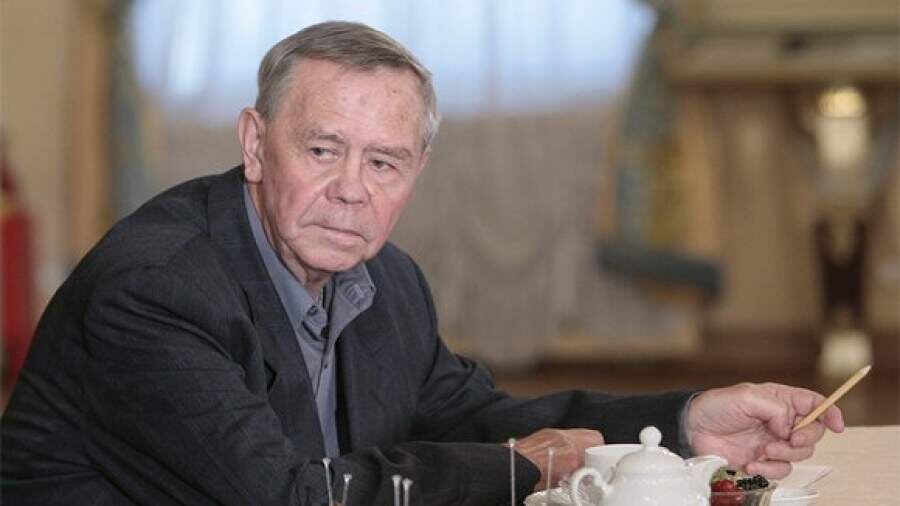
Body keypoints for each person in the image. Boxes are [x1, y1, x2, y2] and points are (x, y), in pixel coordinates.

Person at [1, 21, 843, 505]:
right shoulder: (156, 289)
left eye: (384, 163)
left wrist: (688, 424)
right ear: (254, 145)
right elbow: (291, 497)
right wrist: (520, 469)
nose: (351, 191)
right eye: (322, 149)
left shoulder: (388, 280)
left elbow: (471, 417)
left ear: (417, 172)